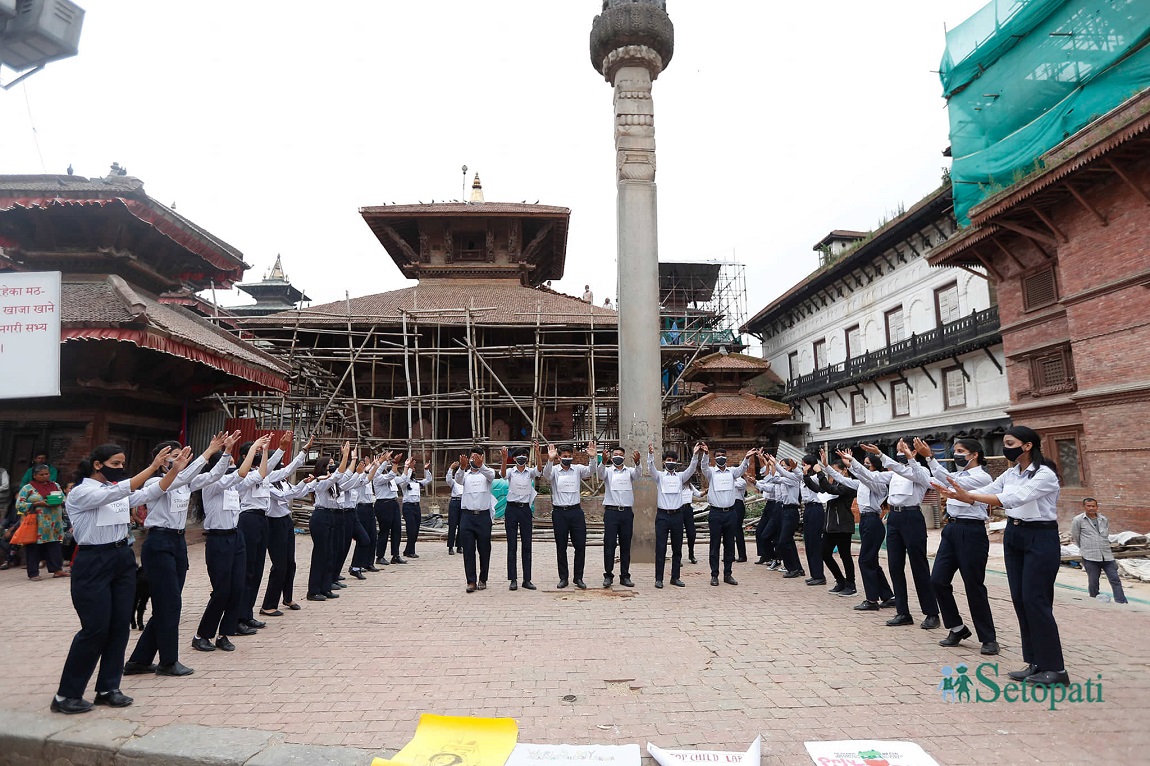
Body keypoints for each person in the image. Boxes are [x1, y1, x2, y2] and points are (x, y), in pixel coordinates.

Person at [50, 442, 183, 714]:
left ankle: (108, 688)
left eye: (123, 464)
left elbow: (151, 490)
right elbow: (123, 490)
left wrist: (174, 471)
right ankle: (66, 695)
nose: (120, 469)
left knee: (120, 625)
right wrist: (155, 466)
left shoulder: (116, 491)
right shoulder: (81, 492)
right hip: (93, 561)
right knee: (95, 628)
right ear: (98, 464)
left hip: (122, 558)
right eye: (115, 464)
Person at [935, 425, 1068, 686]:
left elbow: (1014, 498)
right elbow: (994, 491)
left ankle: (1056, 668)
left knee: (1036, 600)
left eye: (1010, 443)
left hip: (1039, 537)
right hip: (1014, 535)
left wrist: (969, 496)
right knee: (1020, 599)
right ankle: (1035, 663)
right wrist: (963, 495)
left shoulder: (1044, 474)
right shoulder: (1010, 473)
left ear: (1027, 445)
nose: (1005, 447)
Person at [124, 431, 236, 677]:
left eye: (182, 455)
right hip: (158, 543)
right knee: (171, 605)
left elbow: (213, 475)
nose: (180, 460)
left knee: (167, 605)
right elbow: (178, 477)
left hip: (178, 542)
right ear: (161, 460)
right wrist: (207, 452)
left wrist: (225, 452)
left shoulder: (184, 481)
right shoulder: (154, 483)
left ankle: (139, 660)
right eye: (175, 457)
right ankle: (168, 662)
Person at [919, 437, 999, 654]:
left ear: (974, 455)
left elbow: (954, 484)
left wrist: (930, 457)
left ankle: (988, 638)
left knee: (973, 585)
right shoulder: (958, 474)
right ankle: (957, 627)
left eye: (961, 451)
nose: (956, 455)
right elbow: (942, 479)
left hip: (971, 531)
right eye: (955, 450)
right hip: (951, 529)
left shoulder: (981, 476)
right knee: (937, 580)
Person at [850, 441, 940, 629]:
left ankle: (931, 613)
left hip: (912, 517)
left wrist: (892, 457)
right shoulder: (894, 473)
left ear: (915, 451)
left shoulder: (921, 471)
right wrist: (853, 462)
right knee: (895, 566)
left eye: (904, 450)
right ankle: (902, 611)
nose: (900, 453)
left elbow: (913, 474)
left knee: (919, 566)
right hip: (894, 518)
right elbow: (871, 477)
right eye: (898, 450)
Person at [192, 438, 267, 652]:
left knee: (237, 588)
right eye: (229, 461)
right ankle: (202, 635)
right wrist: (251, 449)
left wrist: (266, 450)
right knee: (221, 591)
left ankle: (225, 633)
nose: (233, 464)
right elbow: (240, 473)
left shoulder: (233, 485)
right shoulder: (211, 485)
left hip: (236, 538)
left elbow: (259, 474)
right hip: (218, 540)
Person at [237, 432, 307, 630]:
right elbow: (260, 473)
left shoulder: (264, 475)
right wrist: (268, 450)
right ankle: (239, 615)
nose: (261, 456)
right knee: (248, 570)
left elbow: (284, 471)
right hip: (248, 519)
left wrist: (287, 449)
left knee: (257, 570)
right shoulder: (240, 477)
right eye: (257, 453)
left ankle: (247, 614)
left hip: (262, 520)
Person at [827, 451, 895, 612]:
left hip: (873, 521)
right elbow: (842, 479)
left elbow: (866, 477)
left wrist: (853, 463)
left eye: (867, 464)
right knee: (871, 561)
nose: (865, 466)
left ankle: (871, 600)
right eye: (863, 463)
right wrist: (826, 466)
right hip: (865, 520)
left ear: (875, 466)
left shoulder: (878, 483)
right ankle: (888, 596)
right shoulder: (862, 483)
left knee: (865, 560)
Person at [260, 471, 318, 616]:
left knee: (290, 563)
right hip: (273, 523)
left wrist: (309, 483)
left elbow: (296, 493)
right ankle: (268, 604)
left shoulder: (283, 483)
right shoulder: (266, 484)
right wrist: (303, 484)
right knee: (279, 565)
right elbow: (283, 496)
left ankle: (288, 597)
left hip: (285, 520)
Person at [647, 444, 701, 588]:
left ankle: (675, 577)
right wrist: (651, 455)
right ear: (664, 462)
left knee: (677, 548)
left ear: (676, 462)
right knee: (661, 548)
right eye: (668, 460)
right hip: (663, 516)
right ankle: (659, 578)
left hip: (678, 515)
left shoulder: (681, 477)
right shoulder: (660, 476)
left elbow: (691, 469)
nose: (671, 462)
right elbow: (650, 469)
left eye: (673, 460)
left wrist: (695, 455)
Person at [700, 444, 753, 586]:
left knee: (729, 545)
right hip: (716, 513)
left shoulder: (732, 472)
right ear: (714, 458)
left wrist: (747, 458)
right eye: (718, 456)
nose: (721, 458)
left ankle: (728, 574)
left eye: (723, 456)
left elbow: (742, 469)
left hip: (731, 512)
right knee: (714, 545)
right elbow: (704, 467)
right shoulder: (711, 472)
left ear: (727, 457)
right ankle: (714, 575)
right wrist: (705, 454)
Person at [543, 444, 592, 589]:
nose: (567, 458)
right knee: (561, 546)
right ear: (559, 457)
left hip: (576, 512)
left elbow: (591, 471)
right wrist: (550, 460)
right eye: (564, 456)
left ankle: (578, 577)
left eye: (569, 456)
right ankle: (563, 578)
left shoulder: (577, 469)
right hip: (559, 513)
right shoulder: (554, 471)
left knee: (580, 545)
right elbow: (546, 474)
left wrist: (592, 457)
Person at [305, 443, 349, 602]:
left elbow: (340, 476)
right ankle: (314, 590)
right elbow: (339, 474)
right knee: (320, 554)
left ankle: (326, 587)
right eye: (330, 465)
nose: (333, 467)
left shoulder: (331, 483)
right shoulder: (321, 482)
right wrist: (345, 456)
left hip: (330, 516)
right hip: (321, 517)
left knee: (330, 553)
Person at [594, 441, 642, 588]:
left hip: (626, 513)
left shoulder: (629, 472)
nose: (618, 457)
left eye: (621, 455)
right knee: (609, 544)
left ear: (625, 457)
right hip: (611, 513)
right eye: (615, 455)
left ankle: (625, 575)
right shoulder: (608, 471)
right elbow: (600, 474)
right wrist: (603, 461)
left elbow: (638, 475)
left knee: (625, 545)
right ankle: (608, 575)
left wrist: (638, 462)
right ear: (612, 457)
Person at [15, 463, 67, 580]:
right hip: (37, 522)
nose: (45, 476)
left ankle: (57, 570)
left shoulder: (55, 485)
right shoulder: (28, 488)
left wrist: (59, 501)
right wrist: (37, 504)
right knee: (33, 547)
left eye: (47, 474)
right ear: (34, 475)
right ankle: (33, 573)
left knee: (54, 545)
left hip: (54, 522)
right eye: (41, 474)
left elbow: (64, 498)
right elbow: (19, 505)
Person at [814, 455, 857, 597]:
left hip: (843, 525)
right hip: (830, 526)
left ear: (845, 471)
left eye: (836, 471)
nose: (833, 474)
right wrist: (808, 476)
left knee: (845, 555)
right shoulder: (835, 485)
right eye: (832, 471)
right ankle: (840, 580)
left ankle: (851, 584)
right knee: (824, 553)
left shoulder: (849, 485)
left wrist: (821, 473)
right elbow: (821, 489)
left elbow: (832, 491)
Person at [1071, 498, 1127, 605]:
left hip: (1106, 555)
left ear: (1097, 507)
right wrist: (1085, 548)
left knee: (1115, 579)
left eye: (1093, 506)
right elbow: (1076, 536)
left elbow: (1105, 535)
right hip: (1090, 556)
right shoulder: (1078, 520)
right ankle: (1094, 601)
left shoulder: (1103, 519)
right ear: (1084, 507)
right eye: (1089, 506)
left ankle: (1121, 602)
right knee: (1093, 581)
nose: (1091, 508)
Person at [454, 447, 495, 592]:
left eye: (476, 457)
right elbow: (458, 480)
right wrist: (461, 467)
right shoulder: (466, 475)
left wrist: (481, 465)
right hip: (467, 516)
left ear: (482, 457)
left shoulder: (487, 473)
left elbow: (492, 476)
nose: (473, 459)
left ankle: (483, 579)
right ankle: (470, 581)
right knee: (468, 550)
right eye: (472, 457)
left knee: (484, 549)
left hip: (483, 517)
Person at [500, 445, 538, 591]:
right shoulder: (511, 472)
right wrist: (504, 459)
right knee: (512, 545)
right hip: (511, 509)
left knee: (527, 544)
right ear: (514, 458)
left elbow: (540, 470)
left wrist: (539, 456)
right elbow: (503, 474)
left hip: (525, 510)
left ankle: (527, 579)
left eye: (525, 455)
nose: (522, 458)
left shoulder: (530, 472)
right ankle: (513, 579)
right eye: (519, 456)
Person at [762, 453, 804, 579]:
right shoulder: (786, 479)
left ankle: (792, 568)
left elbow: (784, 476)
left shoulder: (793, 479)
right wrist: (771, 465)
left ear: (790, 468)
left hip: (791, 511)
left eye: (784, 466)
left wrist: (775, 464)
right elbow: (774, 479)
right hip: (784, 510)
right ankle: (797, 568)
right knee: (788, 541)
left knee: (783, 541)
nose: (782, 469)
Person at [373, 451, 405, 566]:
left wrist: (406, 467)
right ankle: (380, 556)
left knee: (397, 529)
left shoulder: (389, 477)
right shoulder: (377, 477)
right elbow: (390, 474)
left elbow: (402, 478)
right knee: (384, 531)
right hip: (383, 504)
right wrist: (387, 461)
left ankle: (395, 555)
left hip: (393, 503)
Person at [800, 455, 827, 586]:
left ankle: (819, 575)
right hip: (808, 509)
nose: (802, 466)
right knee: (809, 543)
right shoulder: (803, 478)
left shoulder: (816, 478)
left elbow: (814, 487)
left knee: (815, 543)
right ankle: (814, 574)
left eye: (805, 464)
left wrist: (807, 475)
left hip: (816, 508)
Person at [401, 456, 433, 559]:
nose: (413, 471)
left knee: (416, 529)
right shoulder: (404, 483)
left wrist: (426, 470)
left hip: (416, 507)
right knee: (411, 529)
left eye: (414, 470)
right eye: (412, 470)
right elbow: (405, 479)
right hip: (408, 507)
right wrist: (409, 468)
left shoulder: (416, 483)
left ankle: (408, 550)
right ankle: (411, 551)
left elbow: (428, 479)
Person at [445, 459, 465, 555]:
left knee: (462, 526)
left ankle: (460, 546)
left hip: (463, 502)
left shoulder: (465, 481)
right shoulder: (453, 482)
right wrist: (450, 469)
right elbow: (448, 479)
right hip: (454, 502)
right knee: (452, 525)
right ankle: (450, 547)